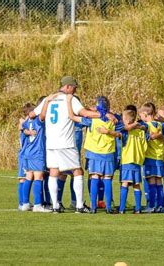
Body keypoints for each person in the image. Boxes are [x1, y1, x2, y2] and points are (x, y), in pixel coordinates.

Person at [30, 76, 115, 213]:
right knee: (78, 171)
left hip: (51, 142)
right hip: (66, 142)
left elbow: (32, 114)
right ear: (68, 87)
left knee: (54, 172)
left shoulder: (49, 98)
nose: (75, 90)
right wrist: (104, 115)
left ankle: (56, 206)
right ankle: (79, 206)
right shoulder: (70, 99)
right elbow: (84, 114)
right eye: (74, 87)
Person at [67, 94, 117, 214]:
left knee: (94, 177)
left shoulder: (91, 120)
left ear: (97, 107)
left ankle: (93, 207)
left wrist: (69, 103)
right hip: (108, 153)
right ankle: (108, 207)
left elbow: (72, 117)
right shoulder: (113, 119)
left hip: (94, 153)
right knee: (107, 179)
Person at [21, 97, 52, 213]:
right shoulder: (38, 120)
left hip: (28, 152)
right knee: (38, 177)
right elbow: (42, 114)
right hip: (37, 152)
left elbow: (22, 127)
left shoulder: (26, 121)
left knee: (29, 177)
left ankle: (25, 203)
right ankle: (38, 204)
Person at [139, 102, 164, 213]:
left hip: (150, 157)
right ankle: (160, 205)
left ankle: (151, 205)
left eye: (141, 115)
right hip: (160, 157)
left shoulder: (147, 126)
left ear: (146, 114)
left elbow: (146, 135)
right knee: (159, 181)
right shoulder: (161, 125)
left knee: (151, 181)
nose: (140, 118)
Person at [117, 110, 148, 214]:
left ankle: (121, 208)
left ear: (127, 120)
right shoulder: (141, 132)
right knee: (137, 184)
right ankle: (138, 209)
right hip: (137, 161)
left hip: (127, 160)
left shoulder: (126, 132)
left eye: (123, 119)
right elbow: (145, 146)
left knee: (125, 183)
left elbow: (120, 132)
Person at [16, 103, 34, 210]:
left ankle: (23, 203)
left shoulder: (24, 122)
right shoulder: (26, 124)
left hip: (25, 154)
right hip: (24, 154)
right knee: (23, 179)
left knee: (25, 178)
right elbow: (22, 127)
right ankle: (22, 203)